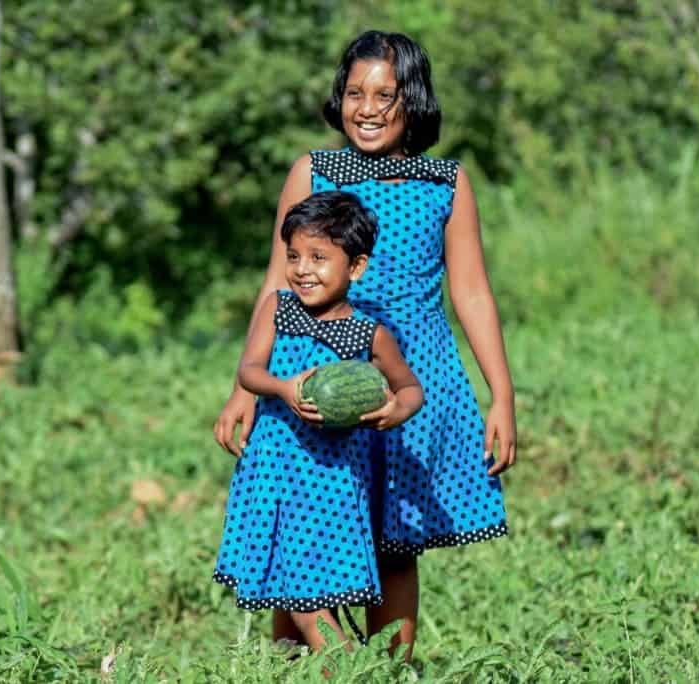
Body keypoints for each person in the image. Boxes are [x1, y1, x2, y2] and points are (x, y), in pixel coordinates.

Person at [213, 30, 517, 661]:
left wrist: (502, 396)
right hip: (310, 378)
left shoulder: (447, 184)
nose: (369, 106)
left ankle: (388, 672)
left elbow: (473, 294)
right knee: (303, 529)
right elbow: (277, 282)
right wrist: (245, 388)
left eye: (386, 93)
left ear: (415, 101)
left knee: (393, 544)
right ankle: (297, 668)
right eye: (356, 92)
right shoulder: (313, 172)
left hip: (410, 382)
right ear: (339, 98)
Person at [213, 190, 424, 652]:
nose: (302, 268)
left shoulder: (370, 333)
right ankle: (309, 668)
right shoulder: (278, 308)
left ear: (357, 266)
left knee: (307, 598)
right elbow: (249, 370)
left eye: (318, 257)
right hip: (273, 471)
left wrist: (396, 410)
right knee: (292, 589)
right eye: (293, 256)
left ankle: (349, 670)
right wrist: (284, 388)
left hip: (329, 483)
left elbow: (410, 389)